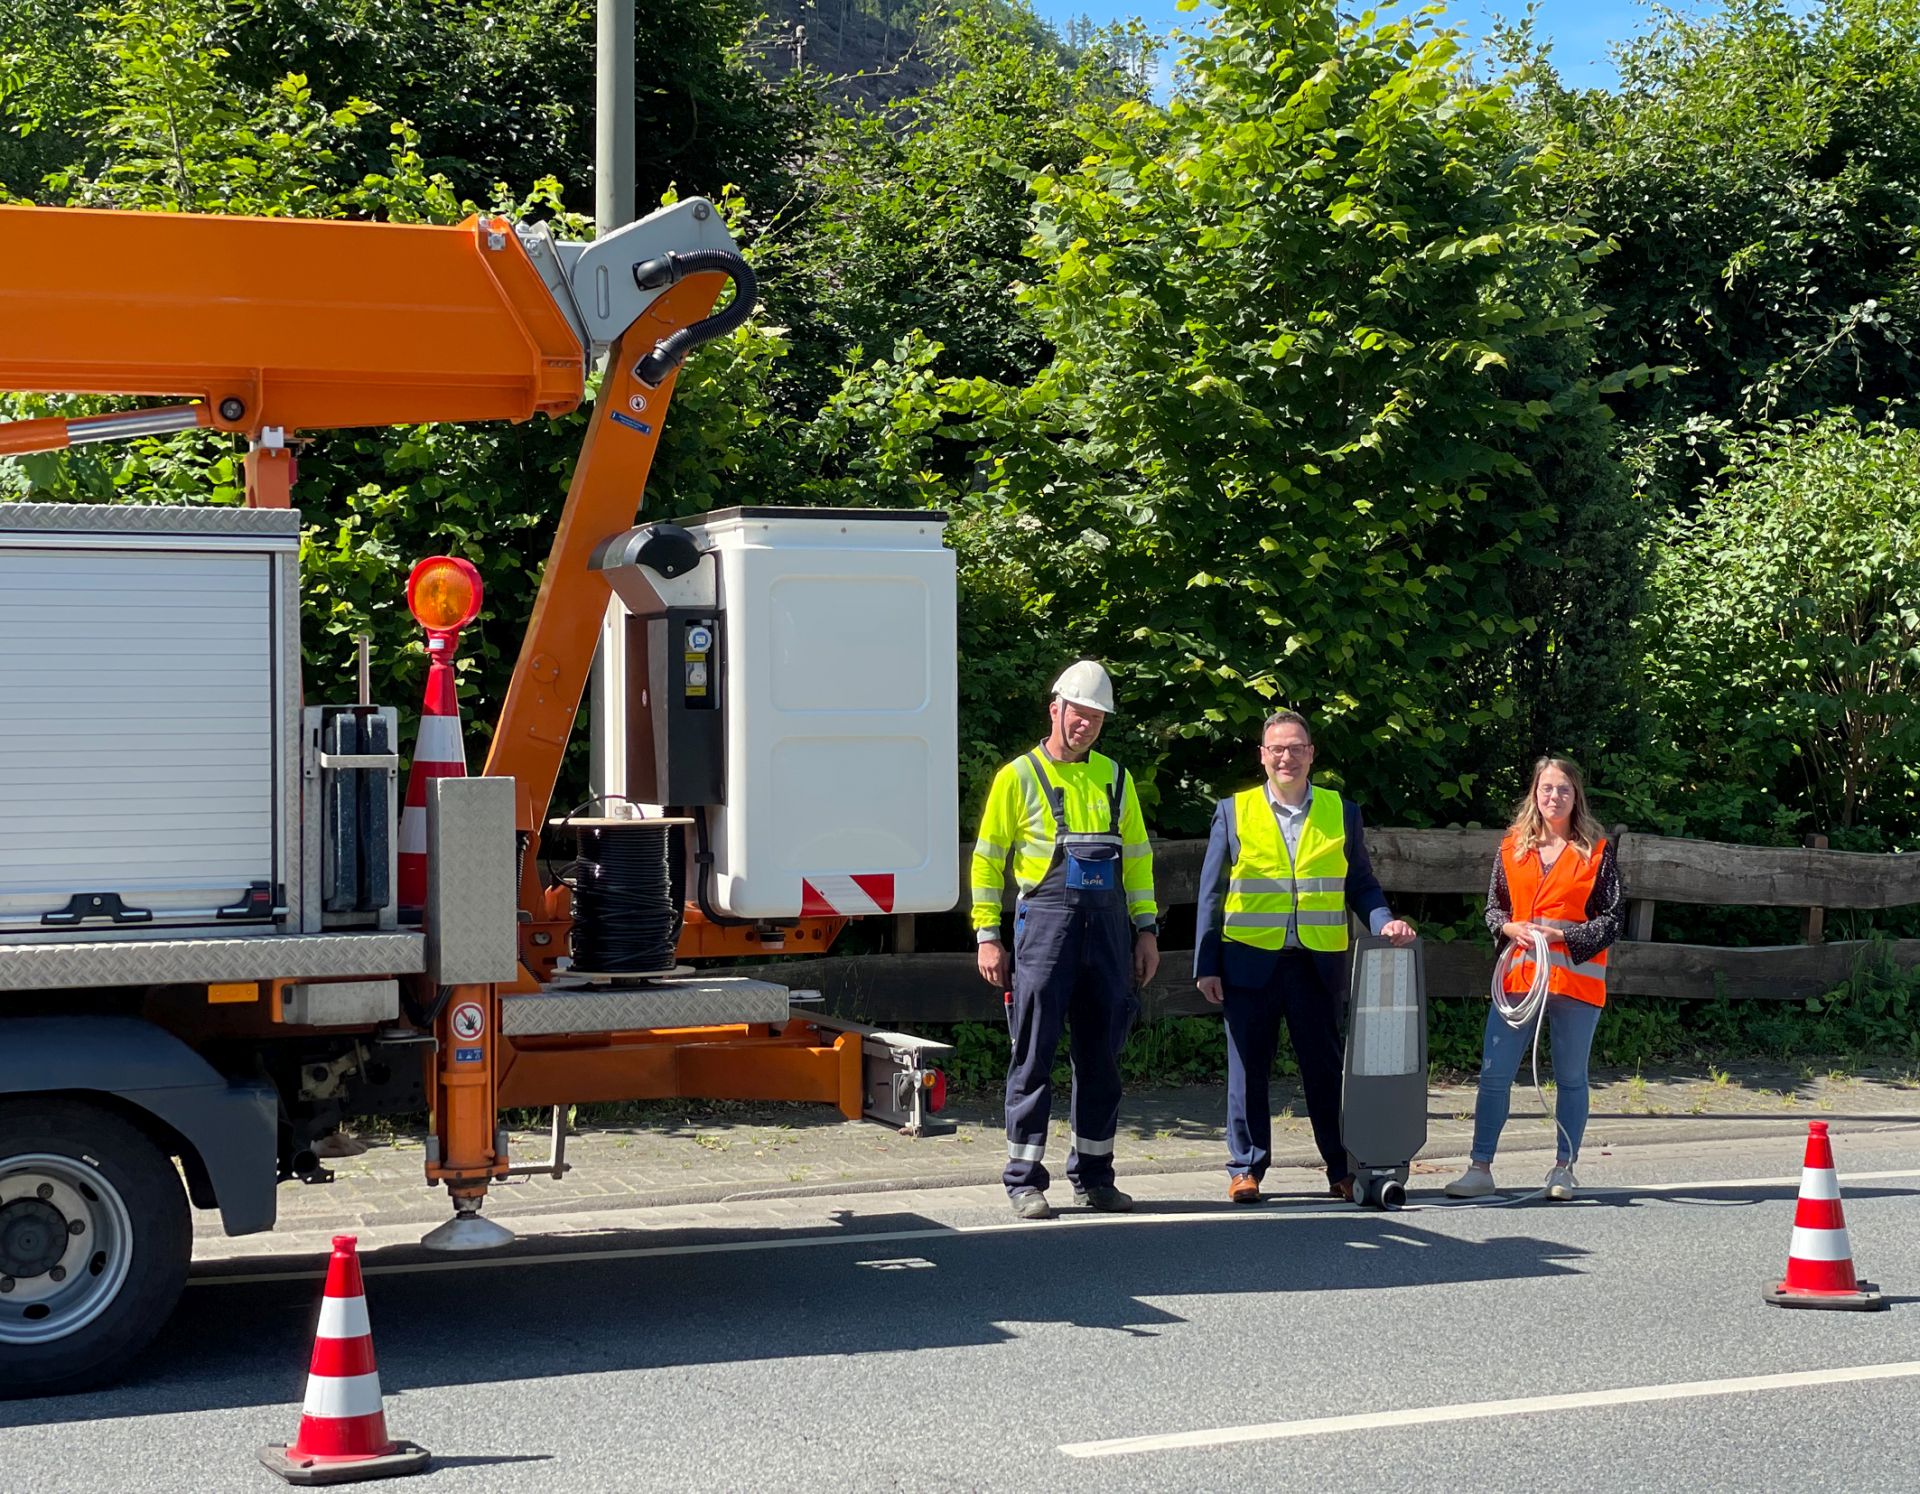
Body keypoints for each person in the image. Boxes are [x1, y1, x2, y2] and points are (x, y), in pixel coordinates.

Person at [1194, 710, 1415, 1204]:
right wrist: (1206, 964)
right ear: (1263, 756)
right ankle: (1245, 1168)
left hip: (1316, 963)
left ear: (1311, 754)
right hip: (1248, 961)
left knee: (1324, 1070)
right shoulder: (1234, 810)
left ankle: (1341, 1166)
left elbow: (1359, 882)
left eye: (1296, 748)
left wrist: (1384, 921)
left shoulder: (1342, 811)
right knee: (1247, 1068)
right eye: (1277, 749)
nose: (1286, 757)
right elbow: (1211, 893)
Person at [970, 661, 1160, 1220]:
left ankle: (1095, 1177)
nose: (1088, 725)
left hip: (1107, 936)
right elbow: (986, 860)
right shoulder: (1018, 776)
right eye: (1080, 713)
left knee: (1101, 1059)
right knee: (1031, 1057)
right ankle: (1024, 1180)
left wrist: (1146, 930)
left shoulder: (1117, 778)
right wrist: (987, 934)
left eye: (1097, 717)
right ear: (1056, 709)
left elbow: (1140, 862)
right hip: (1044, 934)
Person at [1446, 756, 1624, 1202]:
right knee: (1494, 1075)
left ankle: (1564, 1167)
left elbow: (1612, 921)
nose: (1554, 797)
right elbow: (1493, 910)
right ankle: (1480, 1167)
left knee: (1570, 1078)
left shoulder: (1597, 853)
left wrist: (1561, 935)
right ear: (1535, 794)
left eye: (1563, 789)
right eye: (1546, 788)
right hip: (1517, 982)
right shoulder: (1512, 848)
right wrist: (1507, 928)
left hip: (1575, 984)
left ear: (1575, 796)